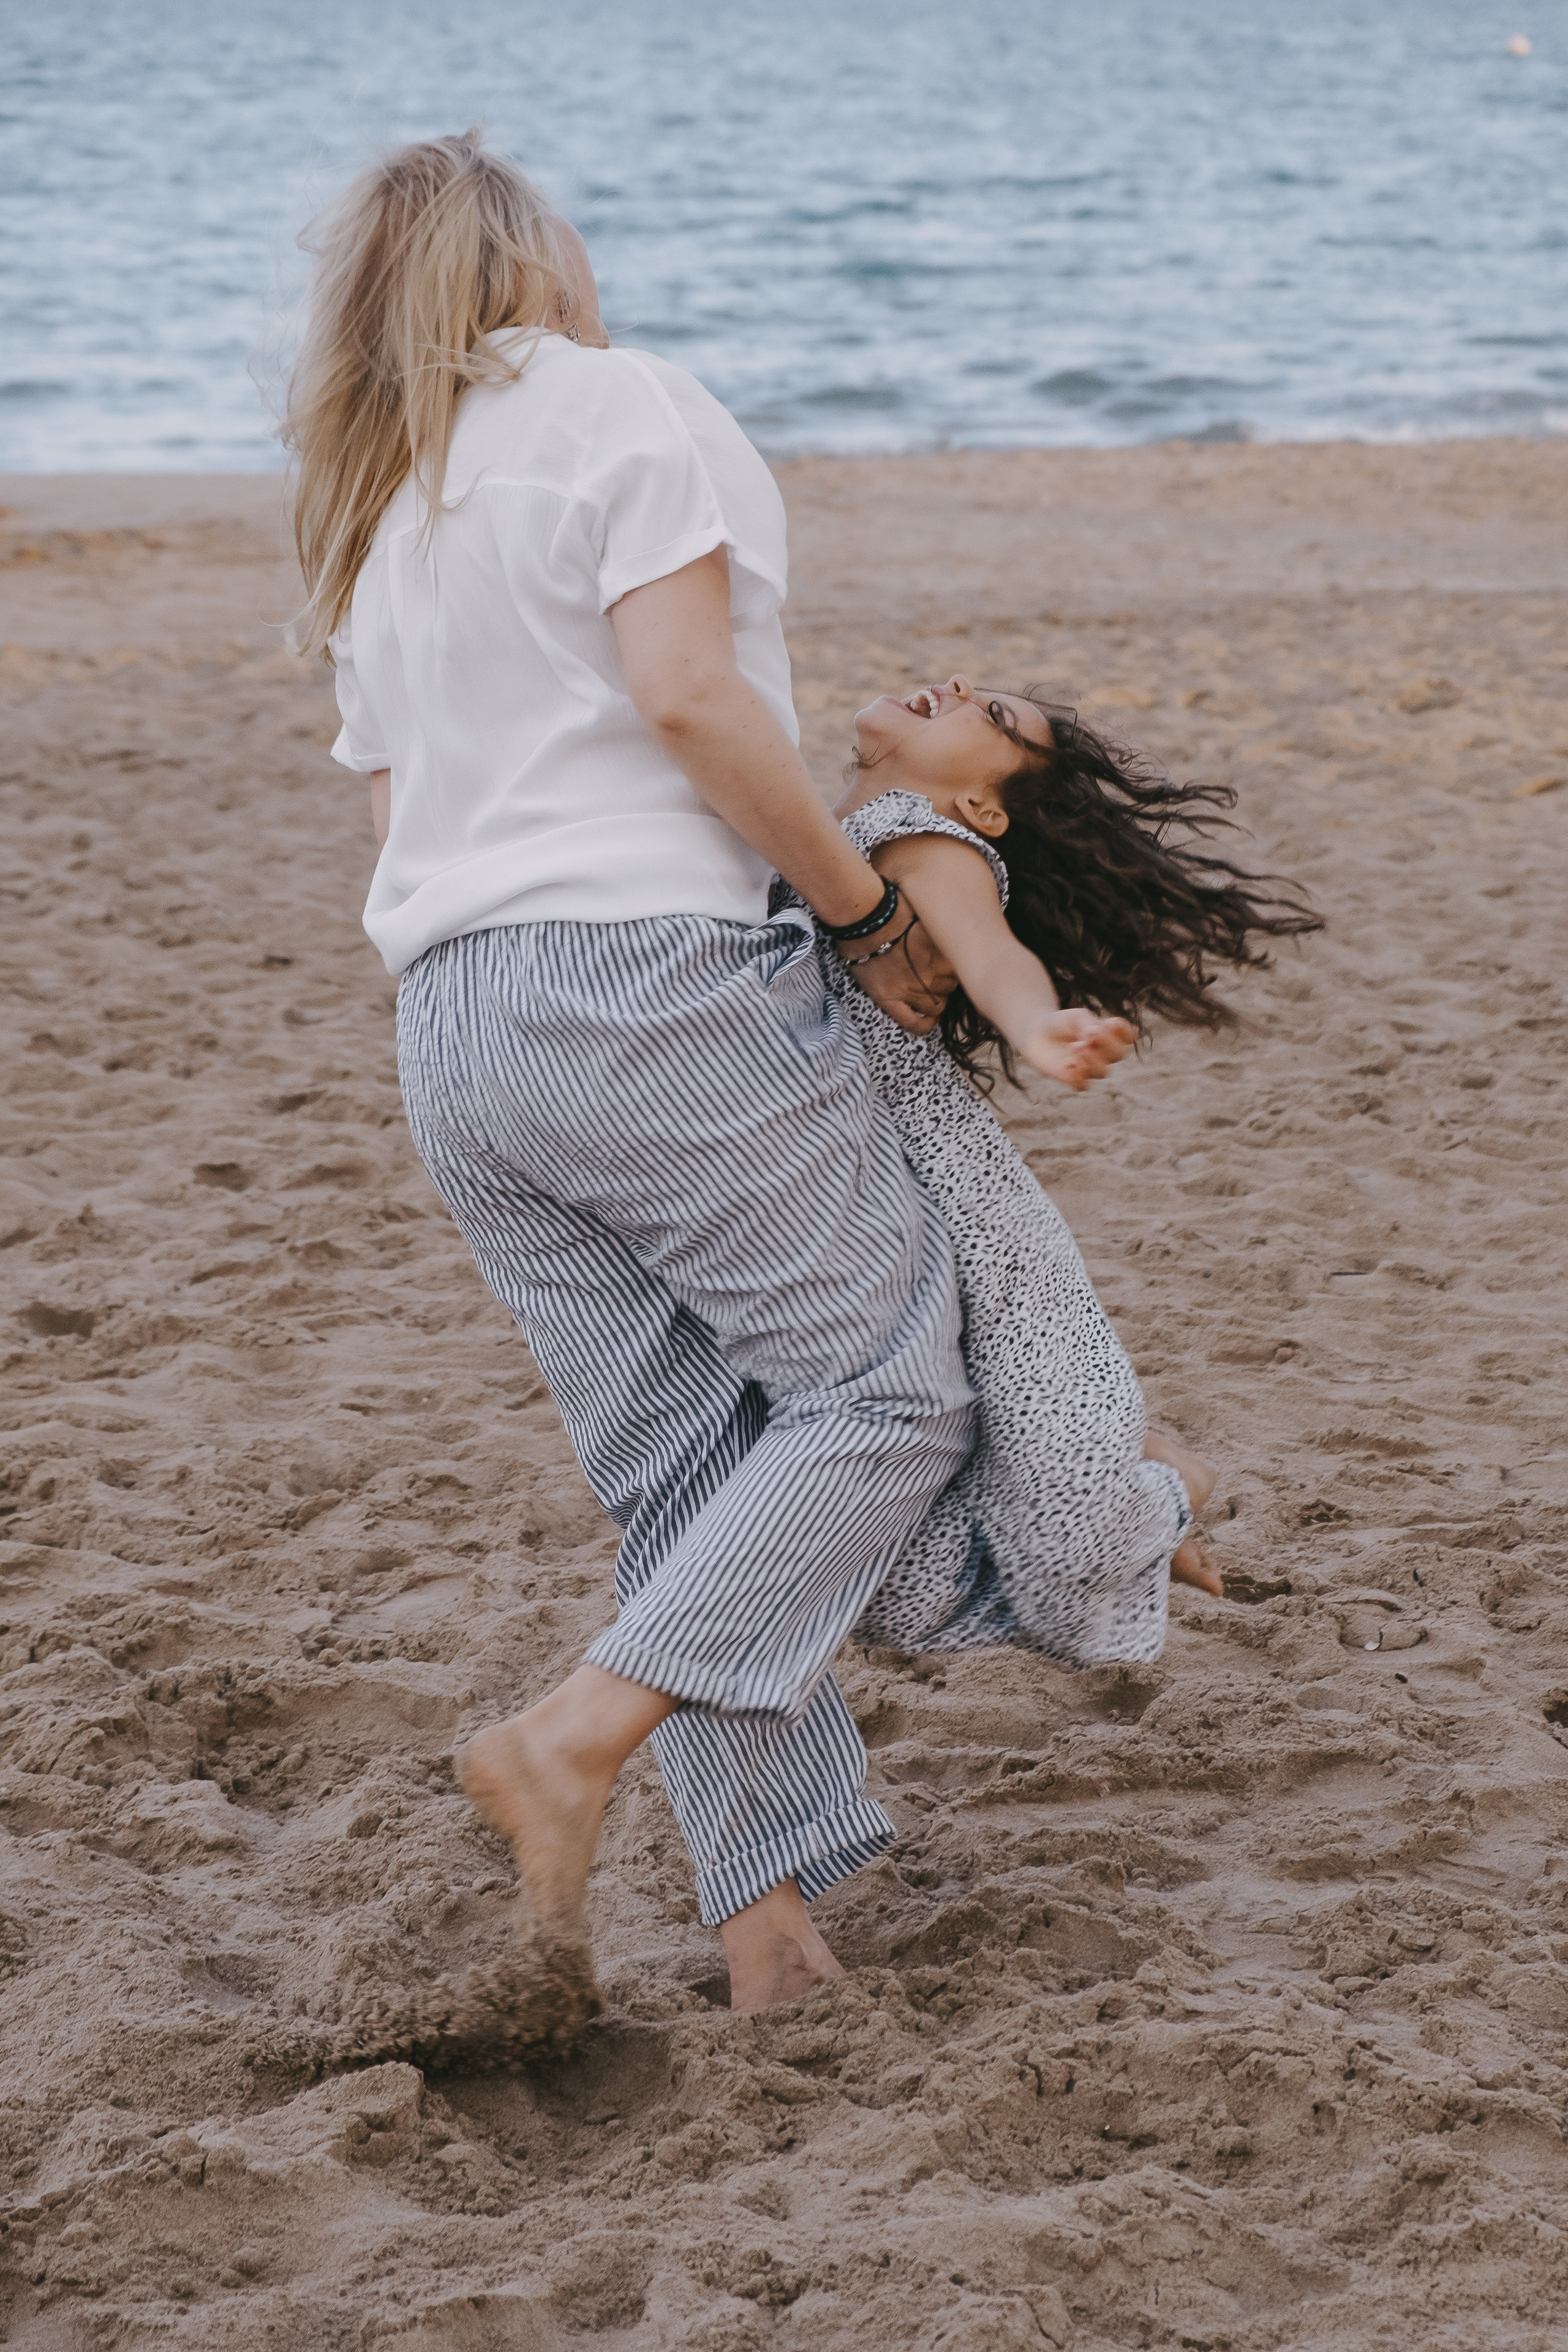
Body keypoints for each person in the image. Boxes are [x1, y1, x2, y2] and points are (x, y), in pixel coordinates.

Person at [283, 130, 1130, 2036]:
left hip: (455, 1028)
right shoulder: (628, 407)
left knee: (689, 1463)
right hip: (647, 985)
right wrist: (850, 915)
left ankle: (770, 1933)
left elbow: (400, 813)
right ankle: (574, 1735)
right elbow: (687, 695)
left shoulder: (375, 499)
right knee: (887, 1394)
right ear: (534, 262)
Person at [774, 676, 1322, 1666]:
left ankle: (1166, 1485)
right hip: (831, 1200)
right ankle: (1138, 1503)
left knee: (1063, 1534)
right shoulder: (795, 821)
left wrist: (1036, 1025)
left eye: (989, 716)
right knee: (890, 1580)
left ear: (983, 808)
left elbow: (988, 950)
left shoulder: (923, 836)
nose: (955, 686)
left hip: (948, 1198)